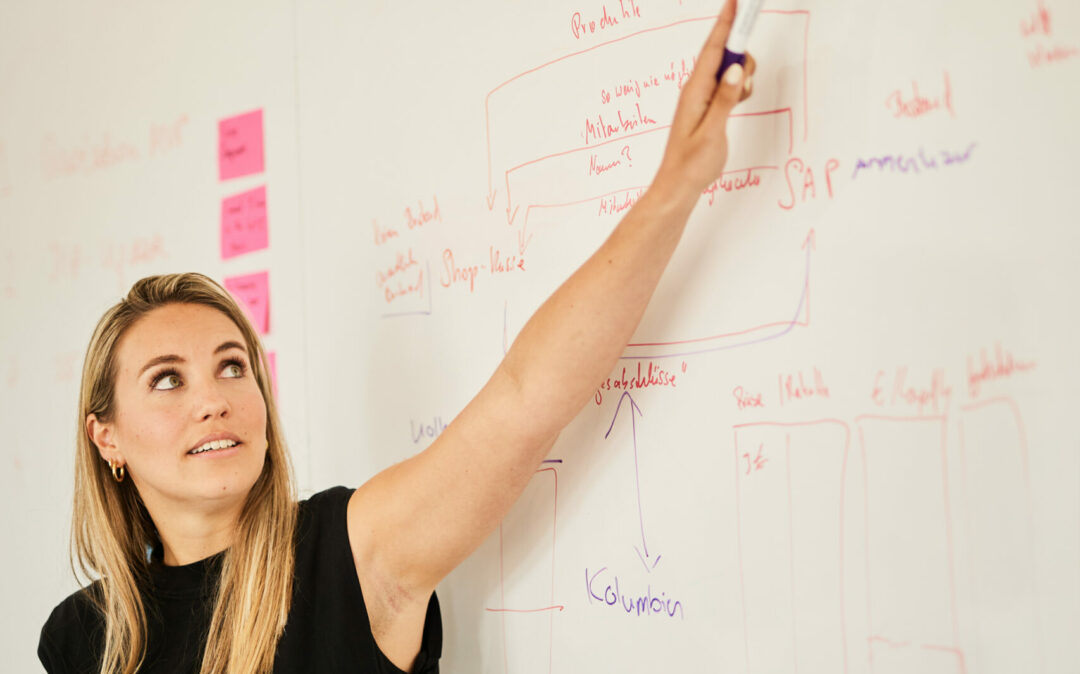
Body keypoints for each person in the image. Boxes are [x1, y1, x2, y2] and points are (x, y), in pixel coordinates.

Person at [37, 4, 756, 672]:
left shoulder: (350, 554)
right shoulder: (78, 640)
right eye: (168, 379)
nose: (214, 400)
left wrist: (676, 185)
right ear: (108, 439)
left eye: (234, 367)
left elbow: (525, 398)